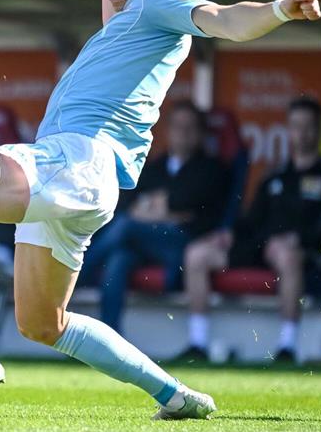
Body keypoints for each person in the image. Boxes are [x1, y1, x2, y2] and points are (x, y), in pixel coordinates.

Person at [0, 0, 321, 419]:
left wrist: (278, 10)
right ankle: (175, 396)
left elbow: (226, 20)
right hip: (86, 181)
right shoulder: (126, 20)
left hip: (77, 158)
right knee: (43, 323)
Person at [181, 97, 321, 362]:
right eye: (296, 126)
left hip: (308, 255)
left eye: (309, 127)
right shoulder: (274, 176)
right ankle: (197, 342)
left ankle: (287, 346)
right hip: (261, 247)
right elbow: (252, 221)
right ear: (288, 130)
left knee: (287, 254)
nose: (302, 134)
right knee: (196, 254)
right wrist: (227, 234)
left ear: (319, 131)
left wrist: (298, 239)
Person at [79, 101, 228, 333]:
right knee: (118, 259)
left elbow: (185, 205)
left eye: (190, 128)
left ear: (200, 133)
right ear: (168, 131)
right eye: (178, 127)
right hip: (144, 243)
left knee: (125, 227)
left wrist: (157, 207)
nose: (183, 133)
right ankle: (110, 336)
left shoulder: (211, 168)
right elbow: (131, 205)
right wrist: (165, 211)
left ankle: (78, 273)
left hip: (181, 245)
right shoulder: (154, 167)